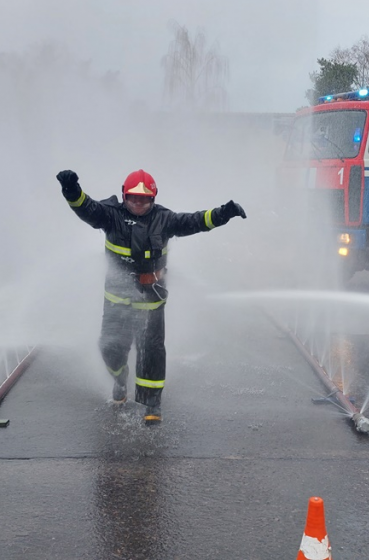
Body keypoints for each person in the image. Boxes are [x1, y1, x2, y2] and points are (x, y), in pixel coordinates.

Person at [57, 168, 246, 424]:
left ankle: (152, 403)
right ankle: (120, 380)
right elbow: (86, 208)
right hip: (116, 300)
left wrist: (224, 213)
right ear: (124, 196)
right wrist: (71, 190)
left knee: (152, 351)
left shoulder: (164, 219)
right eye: (133, 198)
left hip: (151, 299)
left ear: (153, 198)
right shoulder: (110, 215)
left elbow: (196, 221)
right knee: (110, 348)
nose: (138, 203)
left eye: (144, 199)